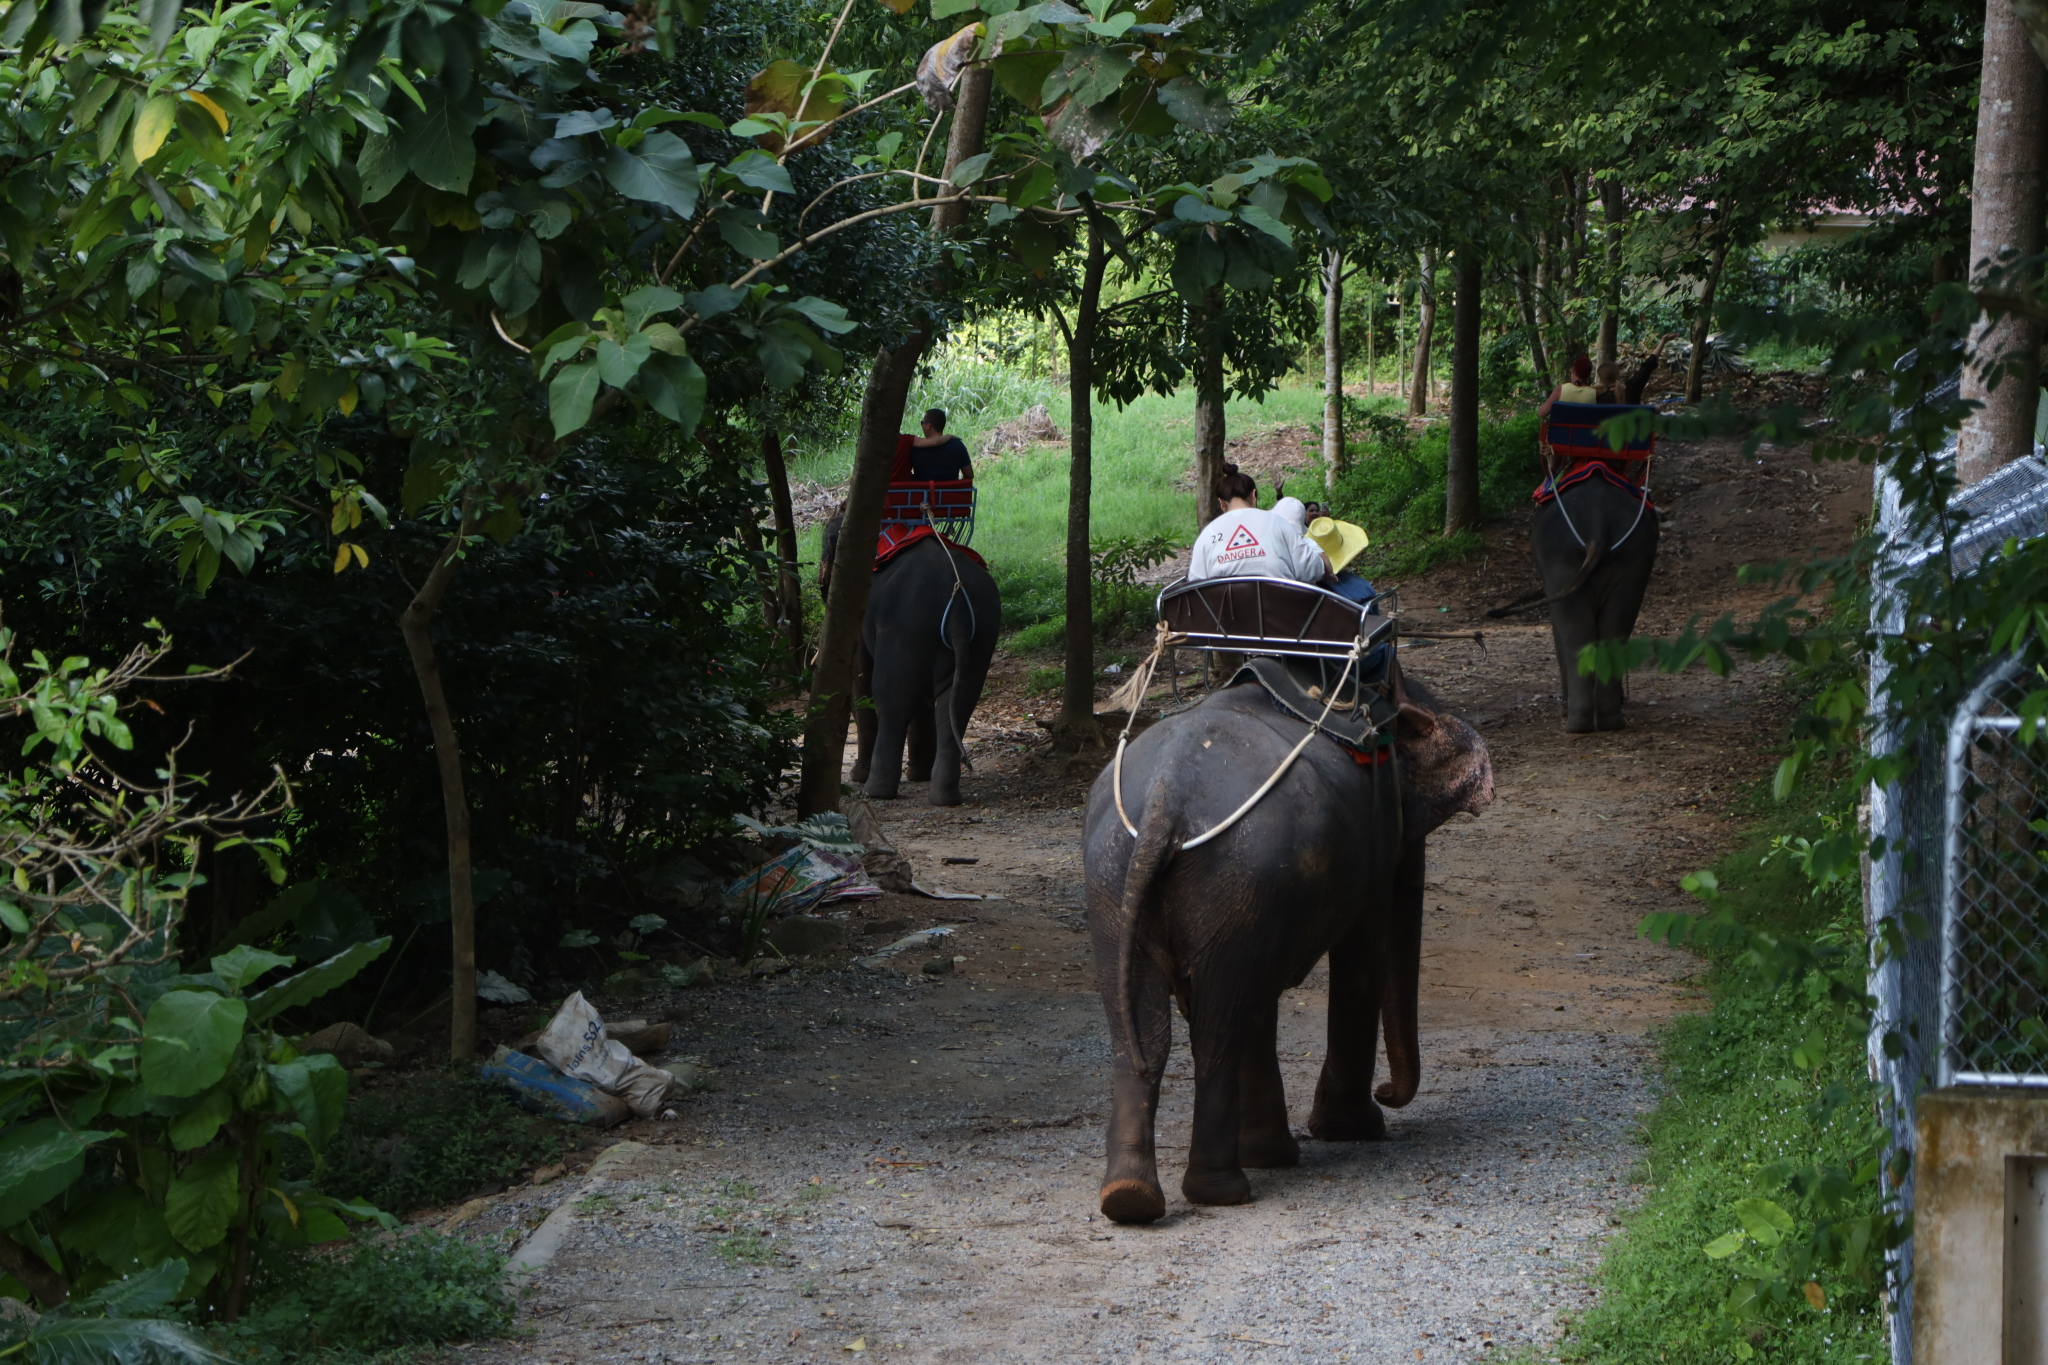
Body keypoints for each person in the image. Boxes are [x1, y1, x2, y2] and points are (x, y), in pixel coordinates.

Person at [1189, 465, 1328, 584]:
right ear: (1254, 495)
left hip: (1226, 614)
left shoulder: (1208, 533)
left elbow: (1196, 582)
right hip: (1280, 611)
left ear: (1221, 503)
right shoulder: (1278, 522)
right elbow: (1311, 569)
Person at [907, 408, 972, 482]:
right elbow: (969, 475)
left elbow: (905, 474)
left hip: (923, 493)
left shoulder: (916, 448)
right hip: (950, 492)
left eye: (922, 422)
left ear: (929, 426)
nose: (922, 425)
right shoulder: (958, 445)